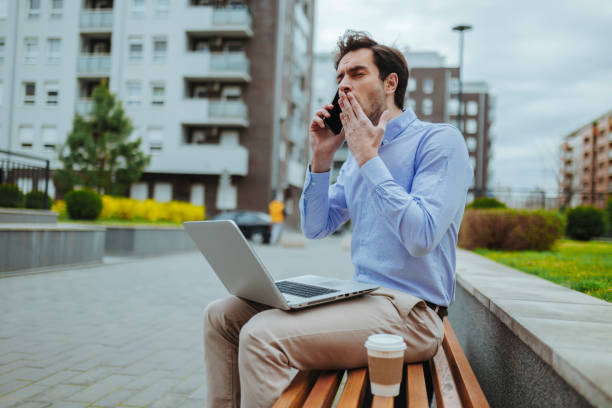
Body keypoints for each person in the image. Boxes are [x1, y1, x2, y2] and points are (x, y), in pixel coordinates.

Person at [203, 30, 473, 408]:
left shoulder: (439, 142)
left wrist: (368, 159)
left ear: (390, 83)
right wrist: (322, 159)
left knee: (262, 336)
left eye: (357, 74)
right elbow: (316, 228)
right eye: (340, 77)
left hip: (412, 314)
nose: (344, 85)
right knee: (222, 316)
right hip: (359, 299)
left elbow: (422, 235)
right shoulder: (355, 156)